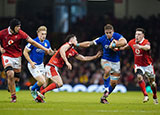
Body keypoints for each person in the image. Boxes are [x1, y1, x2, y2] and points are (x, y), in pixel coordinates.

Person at [35, 34, 102, 103]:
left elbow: (83, 58)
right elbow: (62, 51)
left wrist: (95, 57)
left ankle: (38, 98)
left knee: (46, 84)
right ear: (71, 40)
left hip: (52, 66)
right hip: (51, 66)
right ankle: (41, 93)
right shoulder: (67, 44)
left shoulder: (72, 50)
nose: (77, 41)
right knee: (59, 83)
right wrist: (67, 62)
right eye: (75, 39)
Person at [0, 18, 52, 103]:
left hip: (17, 57)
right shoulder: (3, 33)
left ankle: (9, 84)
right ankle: (13, 97)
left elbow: (33, 42)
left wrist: (45, 49)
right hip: (7, 55)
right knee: (10, 74)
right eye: (18, 27)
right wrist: (0, 48)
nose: (19, 28)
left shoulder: (21, 33)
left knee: (16, 79)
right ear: (13, 27)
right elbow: (28, 49)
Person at [77, 24, 127, 104]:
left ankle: (104, 97)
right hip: (105, 60)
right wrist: (77, 44)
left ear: (113, 32)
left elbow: (124, 41)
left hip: (116, 62)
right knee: (107, 70)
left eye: (110, 32)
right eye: (106, 33)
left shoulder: (117, 36)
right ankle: (106, 87)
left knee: (114, 84)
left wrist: (114, 45)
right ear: (104, 32)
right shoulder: (102, 38)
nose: (108, 34)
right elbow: (89, 43)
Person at [120, 28, 158, 104]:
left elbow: (148, 47)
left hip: (148, 66)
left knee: (153, 84)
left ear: (143, 35)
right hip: (138, 65)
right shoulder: (132, 41)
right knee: (139, 77)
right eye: (136, 34)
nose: (137, 36)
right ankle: (145, 95)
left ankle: (154, 95)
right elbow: (126, 47)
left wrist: (140, 47)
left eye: (139, 34)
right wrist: (118, 48)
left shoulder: (145, 42)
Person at [23, 26, 55, 100]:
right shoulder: (33, 42)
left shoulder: (47, 42)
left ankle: (38, 97)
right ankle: (32, 89)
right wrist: (31, 62)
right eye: (42, 34)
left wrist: (54, 52)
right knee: (42, 81)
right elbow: (25, 52)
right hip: (33, 65)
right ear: (38, 33)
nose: (43, 36)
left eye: (45, 34)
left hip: (41, 65)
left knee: (44, 83)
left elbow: (49, 52)